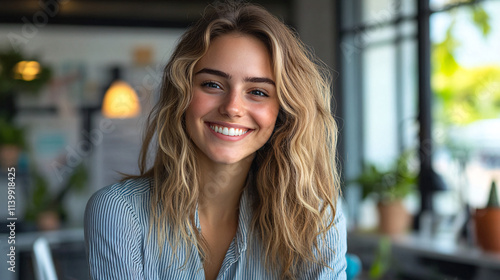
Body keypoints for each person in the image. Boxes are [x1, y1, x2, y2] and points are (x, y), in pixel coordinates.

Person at [84, 1, 346, 279]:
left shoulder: (316, 216)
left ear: (282, 111)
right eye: (212, 84)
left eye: (258, 91)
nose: (232, 107)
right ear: (182, 95)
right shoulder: (121, 213)